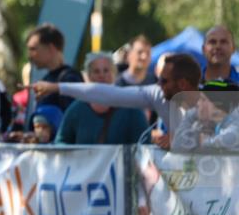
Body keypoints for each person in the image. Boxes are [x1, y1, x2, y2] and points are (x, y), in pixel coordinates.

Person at [33, 52, 203, 149]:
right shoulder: (158, 94)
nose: (158, 84)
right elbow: (107, 94)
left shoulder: (215, 103)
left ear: (182, 84)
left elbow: (224, 140)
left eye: (164, 81)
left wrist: (183, 137)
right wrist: (56, 87)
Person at [56, 53, 149, 145]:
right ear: (88, 76)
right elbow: (61, 142)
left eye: (106, 70)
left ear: (114, 74)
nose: (101, 75)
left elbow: (144, 142)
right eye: (96, 71)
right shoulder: (76, 109)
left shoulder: (130, 107)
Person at [26, 23, 83, 114]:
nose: (29, 56)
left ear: (51, 48)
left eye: (33, 49)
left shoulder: (70, 79)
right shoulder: (46, 79)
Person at [173, 79, 239, 152]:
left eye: (203, 99)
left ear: (217, 105)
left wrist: (203, 141)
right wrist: (190, 116)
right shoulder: (209, 124)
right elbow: (178, 146)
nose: (198, 103)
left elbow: (211, 146)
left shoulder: (235, 126)